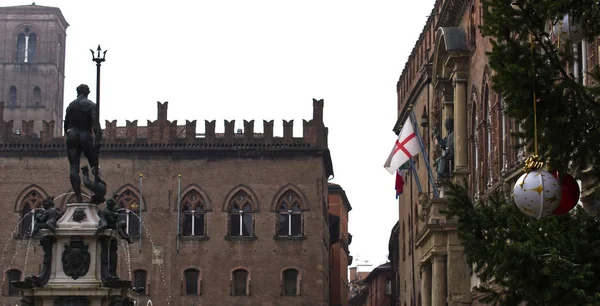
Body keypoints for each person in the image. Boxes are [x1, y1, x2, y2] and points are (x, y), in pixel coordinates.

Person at [64, 84, 103, 203]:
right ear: (88, 93)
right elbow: (96, 124)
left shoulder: (71, 106)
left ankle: (78, 197)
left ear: (78, 92)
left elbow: (66, 125)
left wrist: (69, 134)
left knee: (73, 167)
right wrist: (99, 139)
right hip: (85, 135)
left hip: (72, 135)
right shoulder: (91, 105)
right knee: (94, 164)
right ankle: (97, 192)